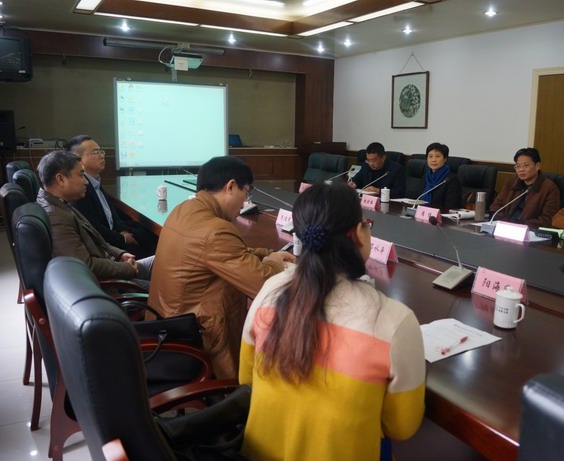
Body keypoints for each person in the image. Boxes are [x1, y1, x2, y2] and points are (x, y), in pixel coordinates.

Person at [239, 183, 425, 461]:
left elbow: (246, 379)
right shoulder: (394, 320)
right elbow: (400, 427)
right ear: (358, 233)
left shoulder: (271, 290)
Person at [149, 156, 295, 380]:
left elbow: (227, 252)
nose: (244, 203)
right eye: (246, 193)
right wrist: (274, 262)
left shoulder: (184, 210)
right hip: (195, 337)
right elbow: (262, 284)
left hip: (166, 323)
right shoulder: (215, 230)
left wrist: (267, 254)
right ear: (230, 186)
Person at [36, 150, 154, 282]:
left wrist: (119, 254)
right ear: (61, 179)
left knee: (167, 260)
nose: (86, 182)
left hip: (113, 265)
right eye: (81, 175)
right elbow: (86, 266)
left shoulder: (60, 203)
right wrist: (127, 268)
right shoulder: (56, 218)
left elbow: (97, 240)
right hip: (112, 284)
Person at [67, 135, 156, 258]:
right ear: (79, 159)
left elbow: (112, 213)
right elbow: (95, 229)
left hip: (115, 233)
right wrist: (123, 238)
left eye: (101, 151)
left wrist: (123, 231)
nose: (101, 155)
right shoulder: (81, 189)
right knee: (152, 245)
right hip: (107, 244)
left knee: (149, 234)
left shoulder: (95, 180)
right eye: (95, 152)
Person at [489, 147, 560, 227]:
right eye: (518, 166)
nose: (521, 170)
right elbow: (495, 207)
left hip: (529, 230)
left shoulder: (550, 188)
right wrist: (506, 223)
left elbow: (547, 220)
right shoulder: (510, 183)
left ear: (537, 166)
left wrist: (519, 224)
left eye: (525, 166)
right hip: (506, 227)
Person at [419, 142, 461, 209]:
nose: (433, 160)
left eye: (437, 156)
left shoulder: (451, 180)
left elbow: (451, 207)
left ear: (445, 159)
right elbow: (418, 200)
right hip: (423, 213)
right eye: (430, 156)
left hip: (442, 214)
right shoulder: (426, 177)